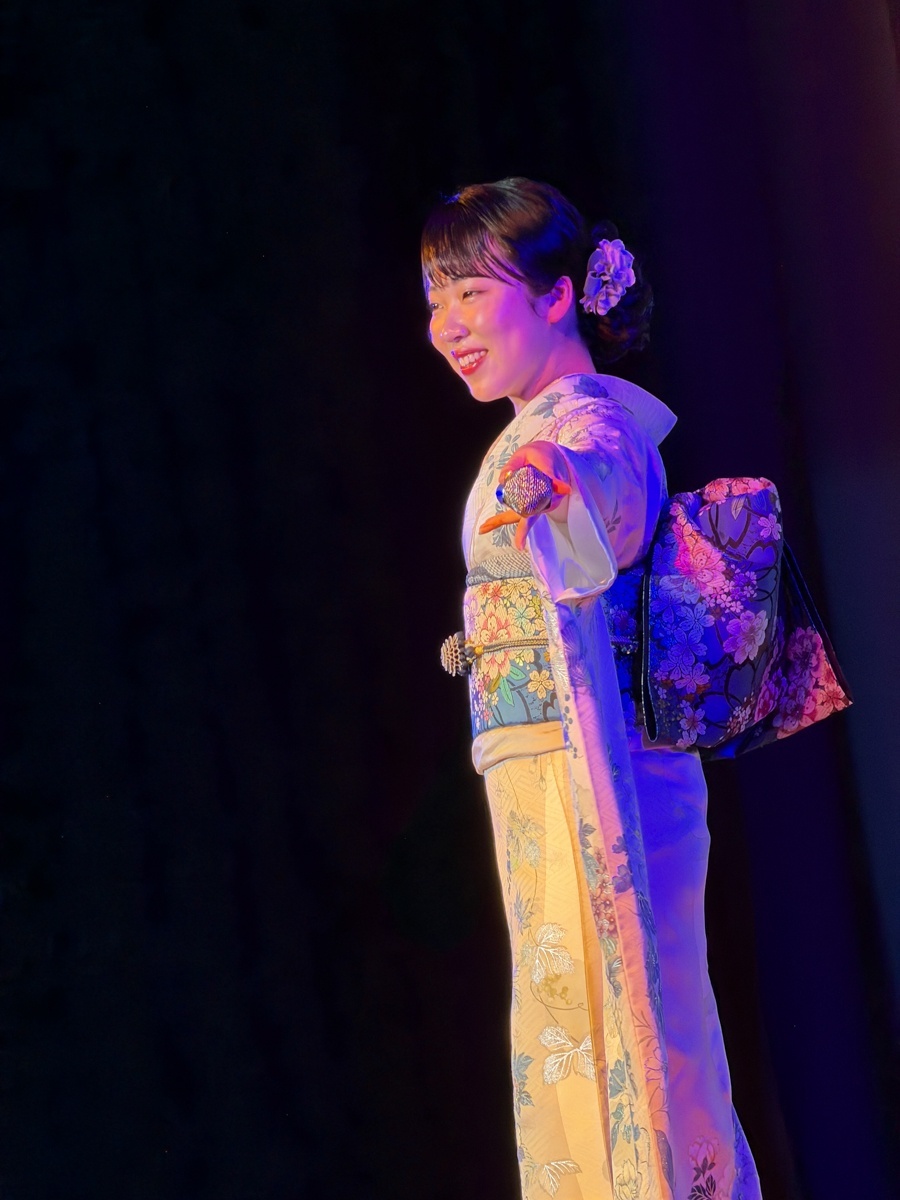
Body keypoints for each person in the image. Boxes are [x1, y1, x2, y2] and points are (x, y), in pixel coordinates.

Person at [424, 178, 763, 1200]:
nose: (447, 326)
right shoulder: (543, 423)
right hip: (545, 781)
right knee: (575, 1032)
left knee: (635, 1033)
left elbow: (597, 490)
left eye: (470, 294)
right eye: (435, 301)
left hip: (602, 778)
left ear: (557, 294)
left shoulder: (590, 425)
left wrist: (554, 480)